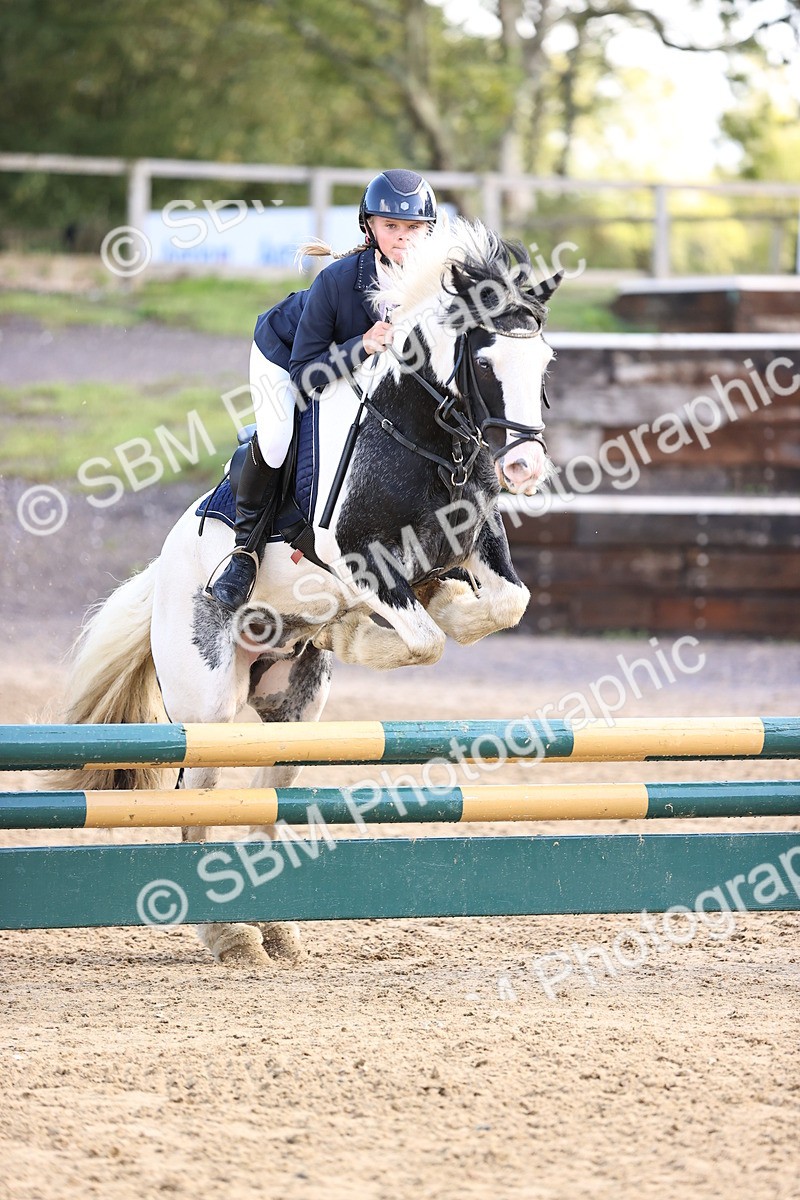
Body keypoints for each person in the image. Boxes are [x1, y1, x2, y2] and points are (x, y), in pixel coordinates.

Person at [210, 168, 438, 611]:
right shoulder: (336, 281)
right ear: (369, 226)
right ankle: (244, 552)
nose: (403, 237)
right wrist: (364, 344)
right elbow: (304, 377)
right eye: (391, 225)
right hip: (285, 356)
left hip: (353, 368)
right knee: (277, 439)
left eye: (414, 227)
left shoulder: (432, 284)